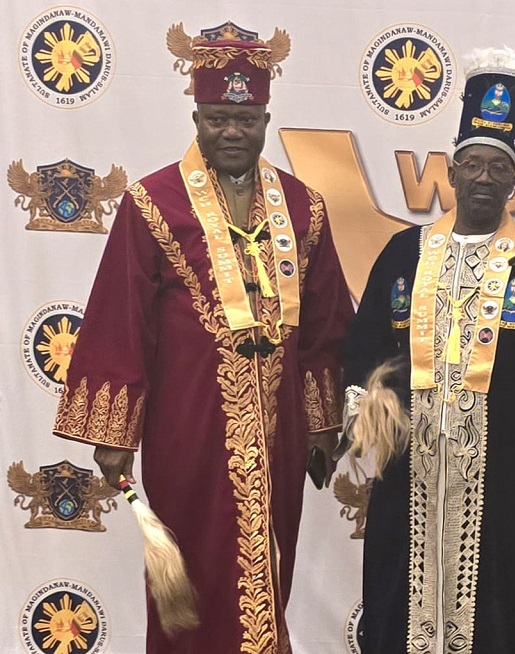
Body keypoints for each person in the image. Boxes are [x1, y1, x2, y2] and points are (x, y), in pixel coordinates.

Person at [52, 40, 354, 654]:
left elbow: (326, 324)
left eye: (246, 119)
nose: (232, 132)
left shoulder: (304, 208)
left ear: (266, 119)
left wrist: (323, 424)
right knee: (190, 567)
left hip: (279, 431)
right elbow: (121, 320)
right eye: (218, 119)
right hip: (187, 427)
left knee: (271, 561)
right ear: (196, 119)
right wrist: (114, 433)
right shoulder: (153, 203)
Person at [343, 47, 515, 654]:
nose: (484, 178)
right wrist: (365, 416)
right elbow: (365, 341)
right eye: (472, 165)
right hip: (410, 460)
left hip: (496, 461)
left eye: (498, 167)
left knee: (497, 592)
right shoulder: (404, 252)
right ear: (451, 174)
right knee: (397, 587)